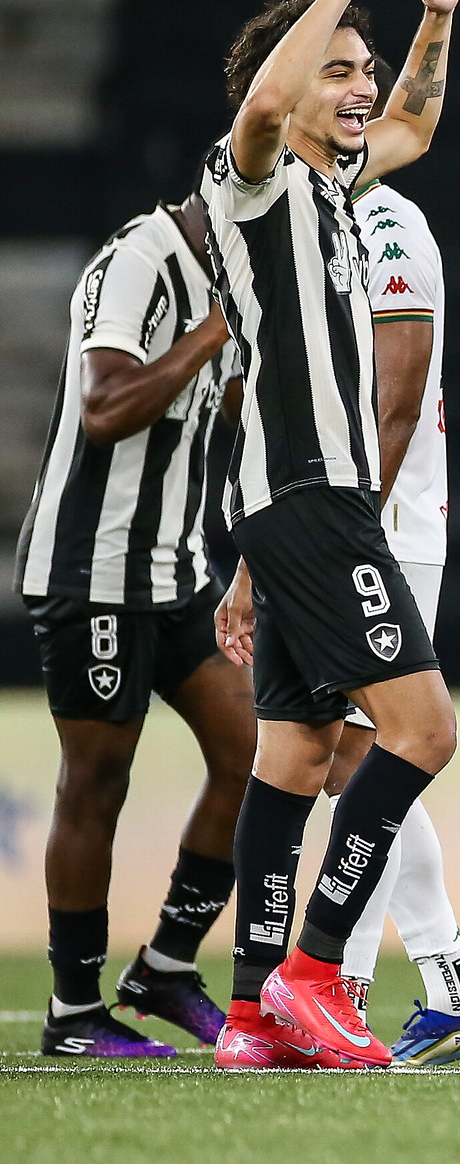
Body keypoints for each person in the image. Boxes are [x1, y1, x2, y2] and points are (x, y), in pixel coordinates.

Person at [204, 0, 460, 1070]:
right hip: (315, 493)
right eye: (340, 70)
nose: (362, 90)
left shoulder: (339, 176)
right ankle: (316, 970)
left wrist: (432, 21)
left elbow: (412, 123)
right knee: (420, 730)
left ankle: (255, 1009)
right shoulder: (251, 178)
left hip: (289, 504)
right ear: (289, 86)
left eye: (362, 68)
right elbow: (266, 98)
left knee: (298, 751)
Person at [294, 55, 460, 1067]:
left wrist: (353, 526)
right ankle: (445, 982)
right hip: (344, 522)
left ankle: (360, 985)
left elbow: (397, 396)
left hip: (386, 528)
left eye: (358, 77)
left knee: (382, 749)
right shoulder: (316, 217)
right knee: (353, 761)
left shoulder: (386, 224)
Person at [15, 196, 250, 1058]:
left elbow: (213, 418)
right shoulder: (140, 260)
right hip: (93, 569)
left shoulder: (243, 272)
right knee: (97, 781)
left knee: (253, 750)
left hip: (176, 569)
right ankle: (74, 1012)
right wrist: (216, 332)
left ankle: (165, 966)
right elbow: (106, 403)